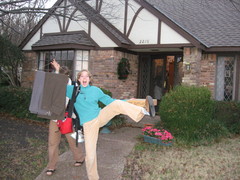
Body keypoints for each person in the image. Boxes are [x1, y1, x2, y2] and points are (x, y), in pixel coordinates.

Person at [51, 60, 155, 180]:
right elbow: (57, 83)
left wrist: (128, 101)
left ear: (90, 79)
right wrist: (57, 69)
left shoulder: (96, 90)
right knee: (90, 156)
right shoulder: (72, 90)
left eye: (87, 77)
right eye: (82, 76)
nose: (84, 78)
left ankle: (144, 111)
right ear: (78, 79)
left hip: (100, 116)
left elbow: (110, 102)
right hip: (88, 125)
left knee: (116, 104)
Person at [46, 61, 85, 176]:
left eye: (64, 75)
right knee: (52, 143)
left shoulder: (72, 85)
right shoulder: (53, 85)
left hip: (68, 118)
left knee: (72, 140)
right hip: (54, 118)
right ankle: (51, 166)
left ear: (67, 76)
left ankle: (80, 158)